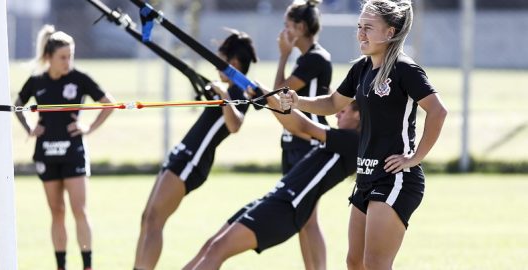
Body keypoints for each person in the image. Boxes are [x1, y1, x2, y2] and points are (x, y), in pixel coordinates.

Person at [280, 1, 448, 269]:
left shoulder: (405, 69)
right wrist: (297, 102)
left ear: (390, 32)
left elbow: (438, 111)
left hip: (395, 179)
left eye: (368, 28)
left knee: (375, 263)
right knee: (355, 261)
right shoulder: (361, 68)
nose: (360, 34)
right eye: (359, 27)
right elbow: (334, 104)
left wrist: (414, 158)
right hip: (366, 176)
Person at [184, 99, 360, 270]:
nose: (336, 115)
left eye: (343, 111)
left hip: (287, 209)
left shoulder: (353, 141)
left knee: (217, 249)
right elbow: (292, 126)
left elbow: (303, 125)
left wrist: (269, 95)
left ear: (358, 115)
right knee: (212, 245)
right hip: (274, 199)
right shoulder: (339, 138)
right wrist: (268, 99)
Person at [133, 30, 257, 270]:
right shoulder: (226, 89)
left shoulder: (239, 93)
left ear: (232, 63)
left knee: (155, 220)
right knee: (148, 218)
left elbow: (235, 125)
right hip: (181, 155)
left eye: (220, 61)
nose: (215, 67)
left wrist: (223, 95)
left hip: (192, 161)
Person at [14, 25, 115, 270]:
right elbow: (17, 105)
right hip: (46, 152)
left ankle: (87, 265)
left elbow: (109, 104)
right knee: (57, 211)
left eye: (70, 56)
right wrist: (30, 128)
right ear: (49, 57)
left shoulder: (79, 79)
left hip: (73, 153)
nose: (67, 61)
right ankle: (61, 266)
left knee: (79, 209)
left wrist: (88, 128)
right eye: (62, 57)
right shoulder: (37, 81)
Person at [273, 0, 333, 268]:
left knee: (308, 218)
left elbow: (277, 95)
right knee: (301, 218)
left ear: (300, 27)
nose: (283, 32)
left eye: (287, 26)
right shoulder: (306, 59)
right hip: (292, 143)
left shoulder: (315, 59)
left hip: (307, 144)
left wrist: (283, 55)